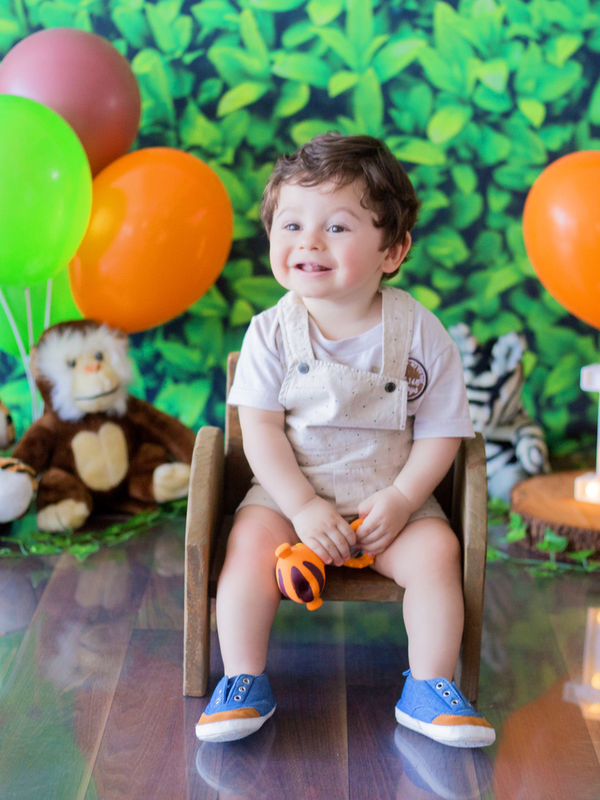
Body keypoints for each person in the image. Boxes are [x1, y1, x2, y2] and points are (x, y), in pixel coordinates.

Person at [195, 133, 494, 748]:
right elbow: (260, 431)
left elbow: (442, 432)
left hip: (389, 500)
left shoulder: (421, 333)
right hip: (288, 496)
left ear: (393, 250)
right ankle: (242, 677)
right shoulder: (270, 333)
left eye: (336, 227)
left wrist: (405, 500)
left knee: (438, 555)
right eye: (291, 225)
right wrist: (301, 505)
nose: (308, 242)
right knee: (247, 546)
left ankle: (430, 685)